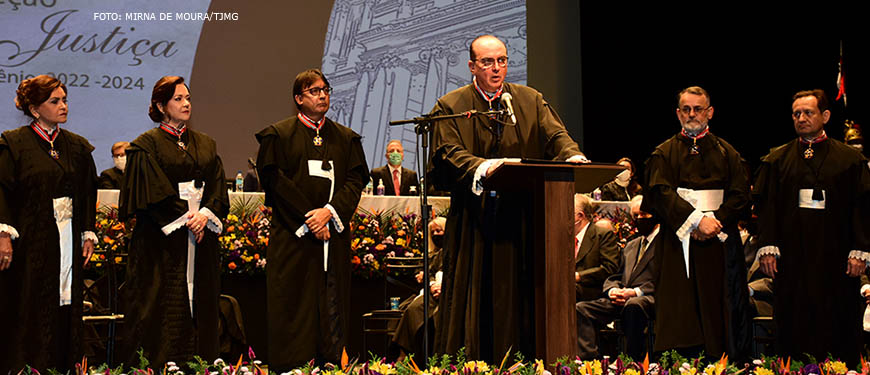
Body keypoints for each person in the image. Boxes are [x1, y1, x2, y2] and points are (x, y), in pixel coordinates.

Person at [428, 34, 588, 362]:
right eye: (487, 62)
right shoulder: (451, 107)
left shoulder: (528, 100)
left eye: (501, 60)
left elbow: (556, 135)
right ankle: (473, 363)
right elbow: (447, 151)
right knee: (478, 299)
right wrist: (482, 167)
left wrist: (571, 155)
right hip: (476, 220)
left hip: (523, 220)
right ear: (472, 66)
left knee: (521, 297)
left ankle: (528, 362)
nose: (496, 68)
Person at [255, 68, 369, 370]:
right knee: (294, 300)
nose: (322, 96)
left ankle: (331, 360)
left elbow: (355, 179)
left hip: (333, 233)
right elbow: (275, 180)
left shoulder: (346, 138)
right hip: (295, 235)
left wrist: (329, 212)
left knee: (332, 299)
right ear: (298, 98)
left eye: (325, 90)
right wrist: (311, 218)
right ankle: (294, 363)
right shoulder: (278, 135)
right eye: (314, 91)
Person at [753, 89, 870, 365]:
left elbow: (863, 207)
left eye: (808, 112)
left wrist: (860, 249)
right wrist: (767, 247)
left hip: (838, 258)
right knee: (793, 319)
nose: (801, 118)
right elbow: (766, 207)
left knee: (838, 319)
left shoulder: (850, 160)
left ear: (825, 116)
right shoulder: (776, 160)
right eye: (796, 114)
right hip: (792, 259)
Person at [119, 76, 229, 365]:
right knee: (162, 300)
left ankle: (200, 361)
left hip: (200, 235)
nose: (186, 104)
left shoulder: (206, 143)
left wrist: (204, 215)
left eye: (188, 98)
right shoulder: (146, 145)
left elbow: (217, 186)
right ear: (161, 105)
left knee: (200, 298)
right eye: (178, 99)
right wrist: (186, 216)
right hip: (162, 238)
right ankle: (160, 361)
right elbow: (152, 191)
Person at [641, 86, 751, 360]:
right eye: (686, 110)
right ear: (678, 114)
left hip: (720, 241)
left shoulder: (728, 153)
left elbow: (741, 195)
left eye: (697, 109)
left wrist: (715, 221)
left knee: (721, 311)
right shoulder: (663, 154)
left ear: (709, 112)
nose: (692, 114)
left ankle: (723, 363)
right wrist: (695, 221)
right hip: (678, 245)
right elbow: (659, 193)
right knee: (681, 312)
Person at [0, 75, 97, 373]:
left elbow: (86, 193)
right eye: (54, 101)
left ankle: (64, 366)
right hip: (31, 240)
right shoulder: (13, 144)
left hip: (66, 239)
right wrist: (3, 235)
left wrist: (87, 233)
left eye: (65, 100)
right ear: (34, 108)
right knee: (30, 302)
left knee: (65, 303)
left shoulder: (77, 147)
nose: (63, 106)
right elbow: (2, 191)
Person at [576, 195, 659, 360]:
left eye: (643, 215)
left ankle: (633, 361)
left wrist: (635, 292)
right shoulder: (632, 245)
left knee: (634, 305)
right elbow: (615, 274)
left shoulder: (665, 245)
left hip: (648, 297)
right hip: (622, 296)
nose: (639, 219)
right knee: (582, 309)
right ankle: (589, 362)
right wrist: (613, 290)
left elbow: (665, 279)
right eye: (635, 216)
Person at [392, 216, 447, 360]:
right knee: (407, 308)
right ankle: (404, 353)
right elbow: (432, 271)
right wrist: (428, 281)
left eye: (439, 231)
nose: (436, 235)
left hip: (446, 291)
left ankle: (404, 354)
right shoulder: (434, 254)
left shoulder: (452, 251)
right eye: (433, 232)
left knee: (415, 309)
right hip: (432, 289)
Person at [573, 194, 619, 302]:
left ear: (580, 216)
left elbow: (610, 268)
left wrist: (579, 276)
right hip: (569, 286)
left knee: (567, 289)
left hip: (591, 289)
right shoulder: (563, 237)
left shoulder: (602, 235)